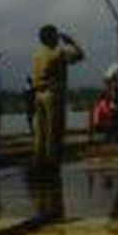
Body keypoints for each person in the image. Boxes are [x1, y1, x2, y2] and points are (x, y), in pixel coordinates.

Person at [31, 25, 84, 170]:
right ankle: (52, 165)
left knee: (40, 133)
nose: (58, 38)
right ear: (51, 38)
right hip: (53, 96)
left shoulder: (36, 55)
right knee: (54, 133)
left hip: (38, 95)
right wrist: (71, 42)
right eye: (56, 35)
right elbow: (80, 55)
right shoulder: (57, 53)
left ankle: (39, 162)